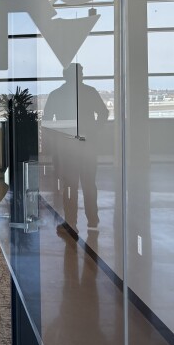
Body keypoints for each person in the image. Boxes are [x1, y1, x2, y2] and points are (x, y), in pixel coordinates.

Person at [43, 63, 108, 234]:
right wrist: (93, 131)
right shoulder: (90, 92)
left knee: (70, 185)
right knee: (89, 184)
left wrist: (56, 140)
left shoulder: (56, 94)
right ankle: (92, 220)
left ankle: (71, 222)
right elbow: (103, 113)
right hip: (87, 145)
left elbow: (48, 121)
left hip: (67, 147)